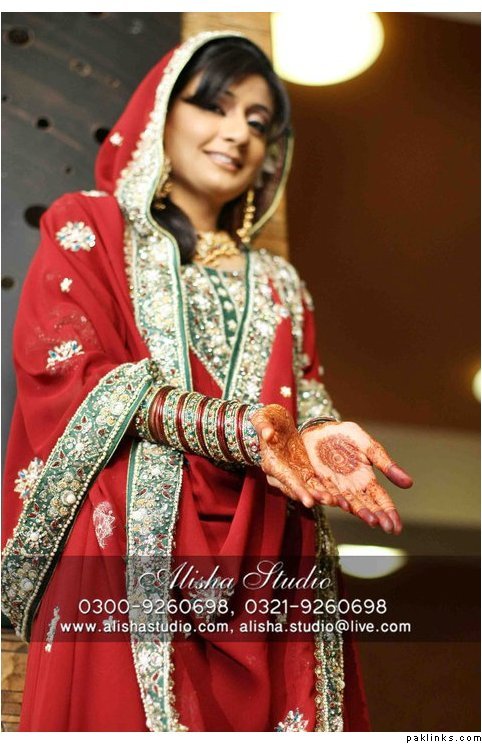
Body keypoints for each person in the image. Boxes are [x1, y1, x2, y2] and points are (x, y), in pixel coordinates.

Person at [1, 30, 413, 732]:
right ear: (161, 112)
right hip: (134, 551)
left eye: (258, 121)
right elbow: (72, 374)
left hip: (274, 558)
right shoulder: (91, 227)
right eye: (214, 106)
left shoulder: (280, 280)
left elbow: (302, 391)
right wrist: (242, 430)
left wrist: (318, 434)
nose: (238, 133)